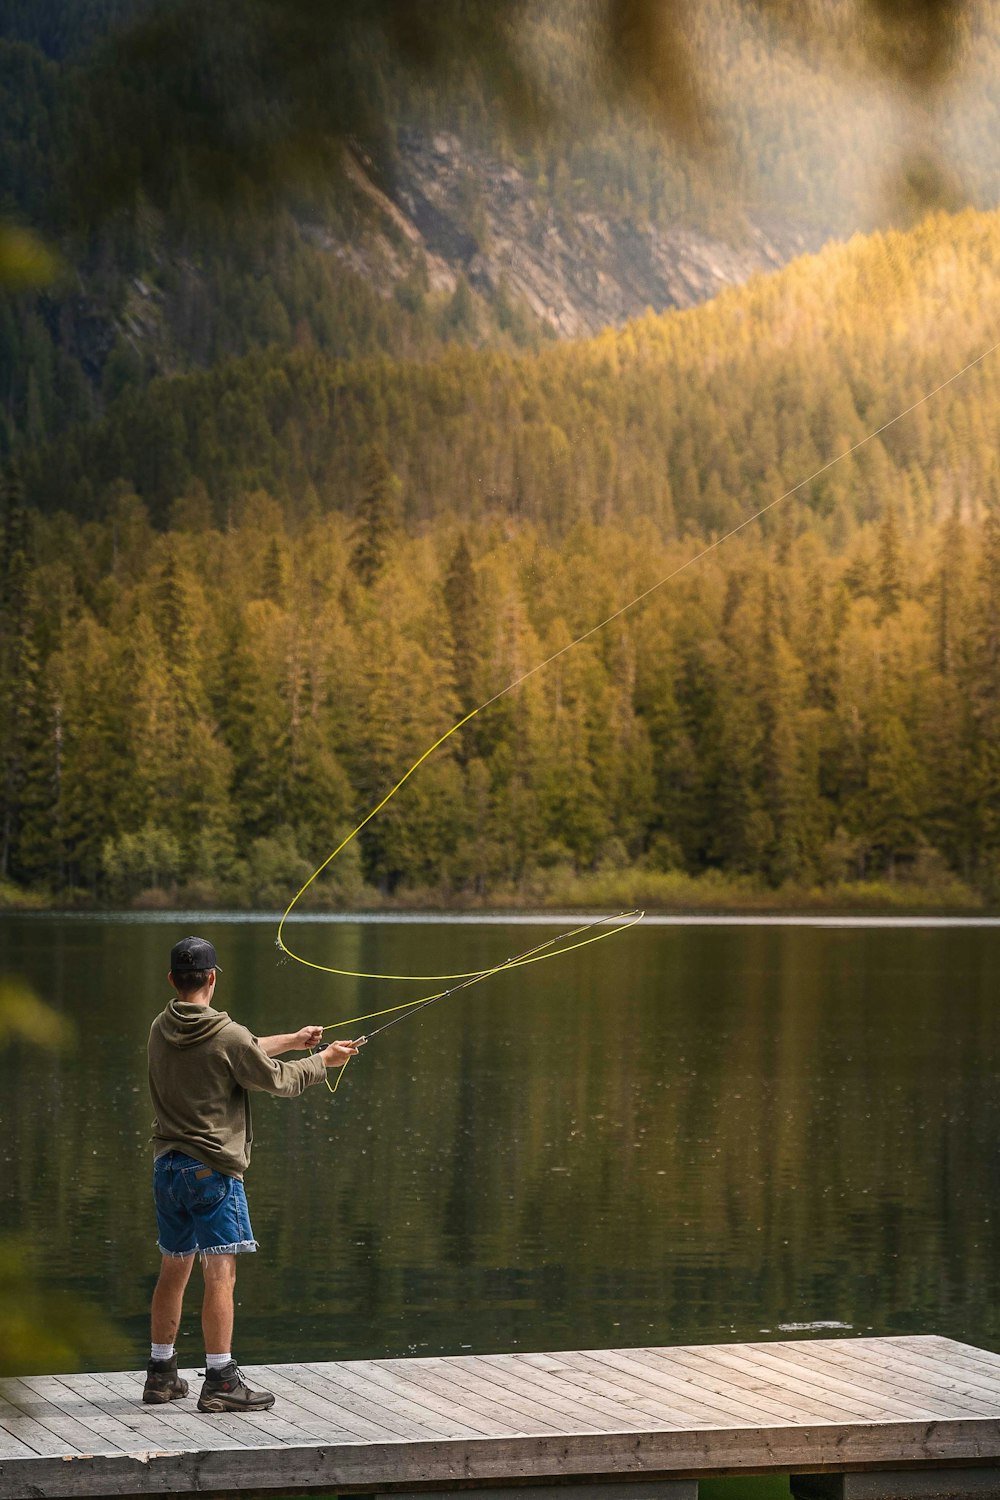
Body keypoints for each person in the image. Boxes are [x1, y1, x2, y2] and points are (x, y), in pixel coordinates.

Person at [143, 934, 360, 1413]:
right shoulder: (228, 1035)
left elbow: (241, 1051)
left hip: (167, 1169)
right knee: (220, 1274)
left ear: (172, 980)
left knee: (173, 1267)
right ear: (213, 978)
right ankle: (220, 1379)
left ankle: (161, 1375)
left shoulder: (161, 1027)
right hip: (213, 1173)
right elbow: (278, 1080)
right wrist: (323, 1060)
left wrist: (293, 1040)